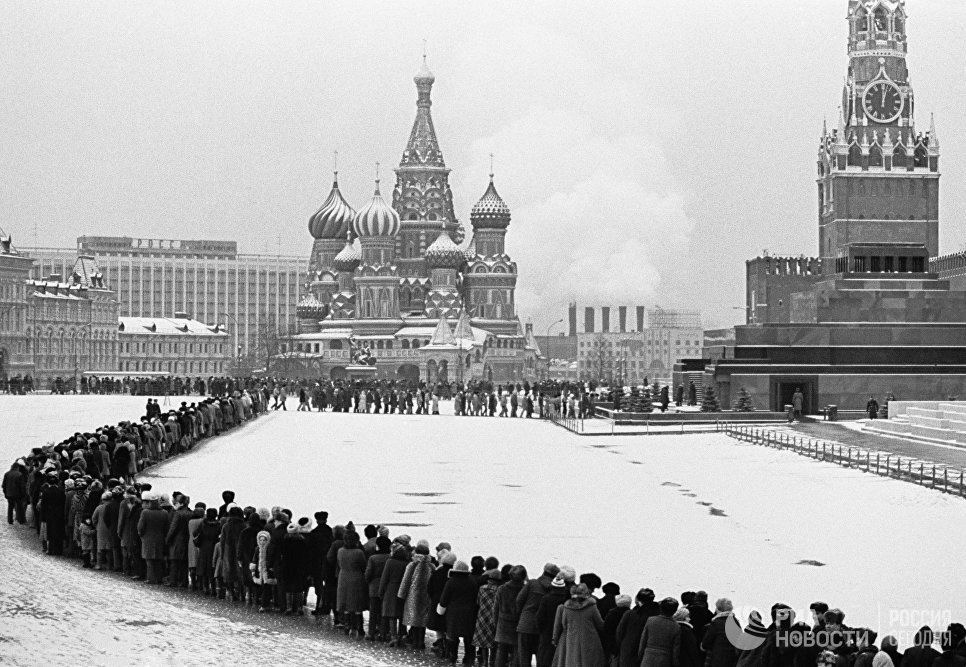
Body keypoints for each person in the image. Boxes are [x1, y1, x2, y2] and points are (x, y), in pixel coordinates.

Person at [552, 582, 606, 666]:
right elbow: (600, 624)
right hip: (590, 638)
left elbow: (564, 624)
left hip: (572, 638)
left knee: (573, 661)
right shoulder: (592, 607)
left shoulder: (567, 607)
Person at [438, 559, 479, 664]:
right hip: (470, 613)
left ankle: (452, 656)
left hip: (453, 613)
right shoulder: (472, 582)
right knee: (468, 637)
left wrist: (441, 609)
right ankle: (469, 658)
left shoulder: (450, 582)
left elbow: (444, 599)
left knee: (452, 636)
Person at [399, 540, 435, 650]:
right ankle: (421, 641)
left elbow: (406, 580)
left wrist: (401, 594)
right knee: (423, 619)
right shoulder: (431, 566)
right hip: (426, 595)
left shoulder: (412, 565)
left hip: (413, 595)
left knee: (414, 619)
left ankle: (415, 642)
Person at [639, 597, 682, 667]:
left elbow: (643, 640)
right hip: (664, 660)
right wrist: (675, 663)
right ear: (675, 610)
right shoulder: (676, 626)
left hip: (648, 657)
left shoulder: (650, 620)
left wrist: (640, 656)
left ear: (661, 608)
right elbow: (675, 650)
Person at [702, 598, 739, 667]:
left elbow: (706, 642)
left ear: (719, 609)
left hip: (718, 658)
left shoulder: (717, 623)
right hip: (732, 659)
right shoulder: (735, 622)